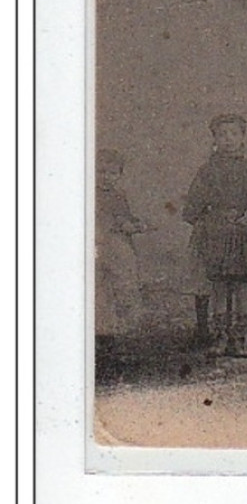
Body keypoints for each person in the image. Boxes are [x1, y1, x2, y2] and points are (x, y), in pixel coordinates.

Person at [180, 114, 247, 351]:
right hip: (217, 235)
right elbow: (192, 206)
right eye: (222, 134)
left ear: (243, 137)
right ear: (214, 139)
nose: (228, 139)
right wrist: (210, 220)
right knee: (220, 286)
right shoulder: (207, 171)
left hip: (243, 234)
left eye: (234, 133)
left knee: (243, 287)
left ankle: (241, 338)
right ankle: (221, 337)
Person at [94, 148, 148, 373]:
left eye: (112, 173)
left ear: (119, 175)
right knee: (100, 295)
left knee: (121, 293)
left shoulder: (118, 195)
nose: (106, 177)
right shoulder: (88, 195)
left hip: (117, 252)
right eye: (101, 171)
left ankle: (114, 347)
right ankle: (101, 346)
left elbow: (123, 218)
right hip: (98, 252)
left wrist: (135, 225)